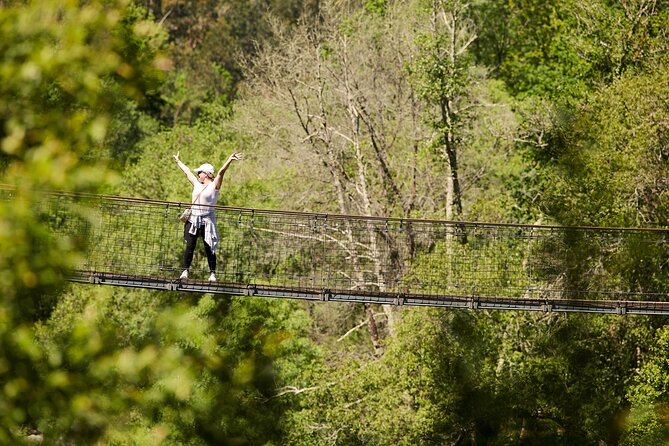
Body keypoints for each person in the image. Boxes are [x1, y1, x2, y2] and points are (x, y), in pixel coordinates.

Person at [173, 151, 242, 281]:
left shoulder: (214, 186)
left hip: (207, 220)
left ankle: (212, 274)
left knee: (208, 246)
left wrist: (229, 160)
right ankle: (185, 272)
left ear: (206, 174)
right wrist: (178, 161)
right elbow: (187, 172)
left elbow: (221, 172)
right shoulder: (197, 184)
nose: (198, 174)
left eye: (200, 172)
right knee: (190, 245)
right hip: (193, 218)